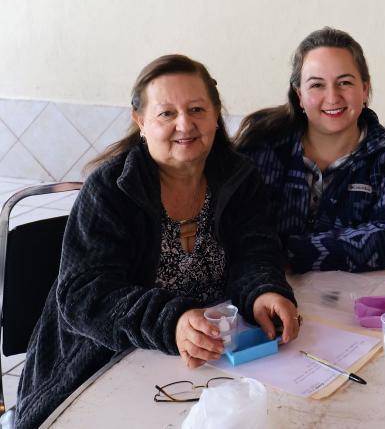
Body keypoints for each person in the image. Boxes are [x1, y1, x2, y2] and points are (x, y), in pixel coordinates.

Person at [15, 55, 300, 428]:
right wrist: (173, 321)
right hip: (98, 366)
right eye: (166, 113)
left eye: (197, 109)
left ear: (216, 115)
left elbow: (256, 250)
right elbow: (84, 295)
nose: (185, 124)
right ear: (141, 122)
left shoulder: (238, 178)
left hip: (200, 366)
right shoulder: (111, 190)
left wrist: (264, 290)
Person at [235, 27, 385, 273]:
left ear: (365, 89)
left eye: (344, 82)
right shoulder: (263, 144)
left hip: (355, 300)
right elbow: (239, 228)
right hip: (265, 290)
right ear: (299, 94)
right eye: (317, 85)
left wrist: (292, 253)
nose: (332, 97)